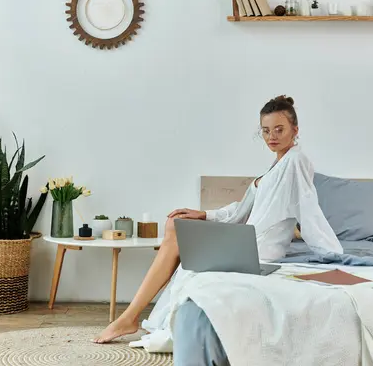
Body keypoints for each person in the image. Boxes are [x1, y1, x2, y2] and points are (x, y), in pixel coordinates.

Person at [93, 95, 343, 344]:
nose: (271, 137)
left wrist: (336, 258)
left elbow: (309, 211)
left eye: (279, 129)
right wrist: (204, 214)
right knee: (176, 224)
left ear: (295, 130)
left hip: (258, 251)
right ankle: (129, 317)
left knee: (176, 231)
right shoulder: (275, 166)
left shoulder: (296, 161)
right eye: (266, 131)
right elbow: (240, 212)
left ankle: (129, 317)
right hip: (245, 240)